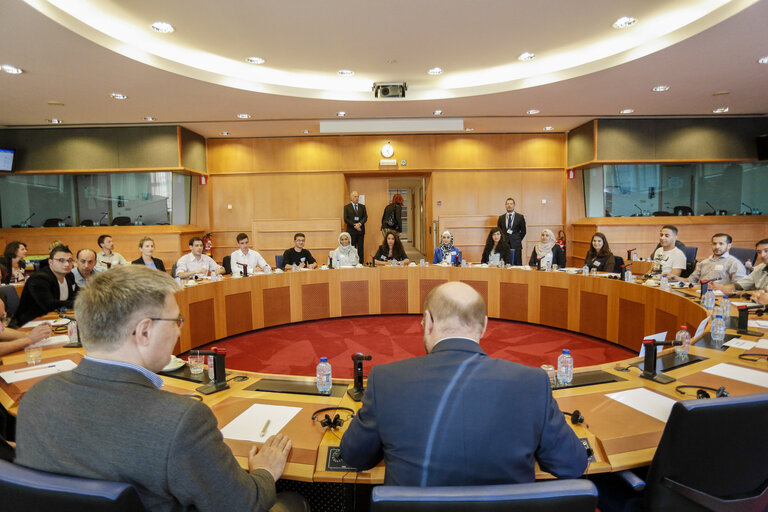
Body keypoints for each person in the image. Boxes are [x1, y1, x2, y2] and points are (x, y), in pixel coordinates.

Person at [14, 265, 307, 512]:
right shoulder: (181, 420)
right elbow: (243, 505)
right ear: (144, 331)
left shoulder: (37, 397)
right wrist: (265, 471)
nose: (180, 330)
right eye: (177, 320)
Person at [339, 281, 587, 486]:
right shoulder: (532, 383)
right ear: (485, 326)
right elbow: (572, 464)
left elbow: (354, 457)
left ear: (428, 322)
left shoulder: (385, 380)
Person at [13, 245, 78, 328]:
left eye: (70, 260)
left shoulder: (69, 275)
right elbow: (49, 304)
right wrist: (78, 304)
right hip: (32, 322)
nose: (67, 264)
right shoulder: (39, 278)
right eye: (61, 260)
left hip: (57, 318)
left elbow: (75, 295)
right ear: (50, 262)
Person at [671, 233, 745, 285]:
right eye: (714, 244)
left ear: (729, 246)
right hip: (699, 292)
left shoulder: (734, 263)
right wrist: (674, 277)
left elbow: (739, 286)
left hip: (720, 296)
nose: (717, 247)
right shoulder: (704, 262)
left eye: (721, 244)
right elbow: (690, 280)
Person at [713, 239, 768, 303]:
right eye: (759, 252)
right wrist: (720, 287)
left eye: (766, 251)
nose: (762, 255)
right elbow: (738, 286)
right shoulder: (759, 268)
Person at [496, 197, 526, 265]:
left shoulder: (520, 217)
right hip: (504, 244)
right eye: (507, 204)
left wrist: (517, 239)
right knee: (504, 263)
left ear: (514, 205)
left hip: (516, 245)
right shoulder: (501, 218)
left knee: (517, 264)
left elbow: (523, 231)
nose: (509, 205)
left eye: (511, 204)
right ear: (505, 205)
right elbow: (499, 231)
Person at [343, 191, 368, 262]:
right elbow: (346, 219)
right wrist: (355, 225)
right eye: (355, 197)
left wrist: (359, 224)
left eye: (358, 197)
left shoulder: (362, 207)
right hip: (351, 231)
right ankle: (352, 262)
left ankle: (361, 262)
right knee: (352, 247)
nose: (357, 198)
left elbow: (365, 217)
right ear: (351, 198)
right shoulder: (347, 207)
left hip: (361, 231)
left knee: (360, 248)